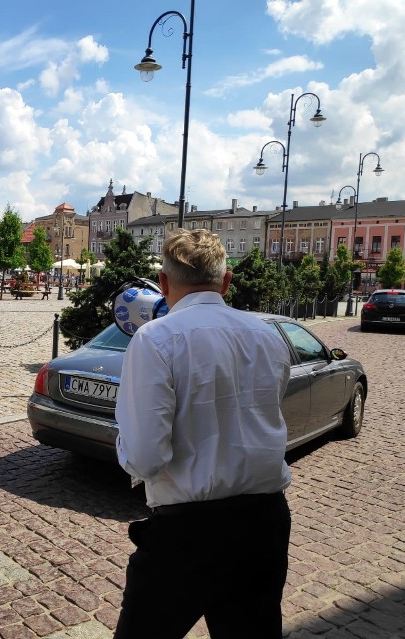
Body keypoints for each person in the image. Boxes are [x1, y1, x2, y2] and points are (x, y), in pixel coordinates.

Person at [113, 229, 292, 639]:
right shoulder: (269, 335)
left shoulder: (155, 339)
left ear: (163, 282)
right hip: (264, 523)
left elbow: (144, 458)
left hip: (187, 533)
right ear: (225, 282)